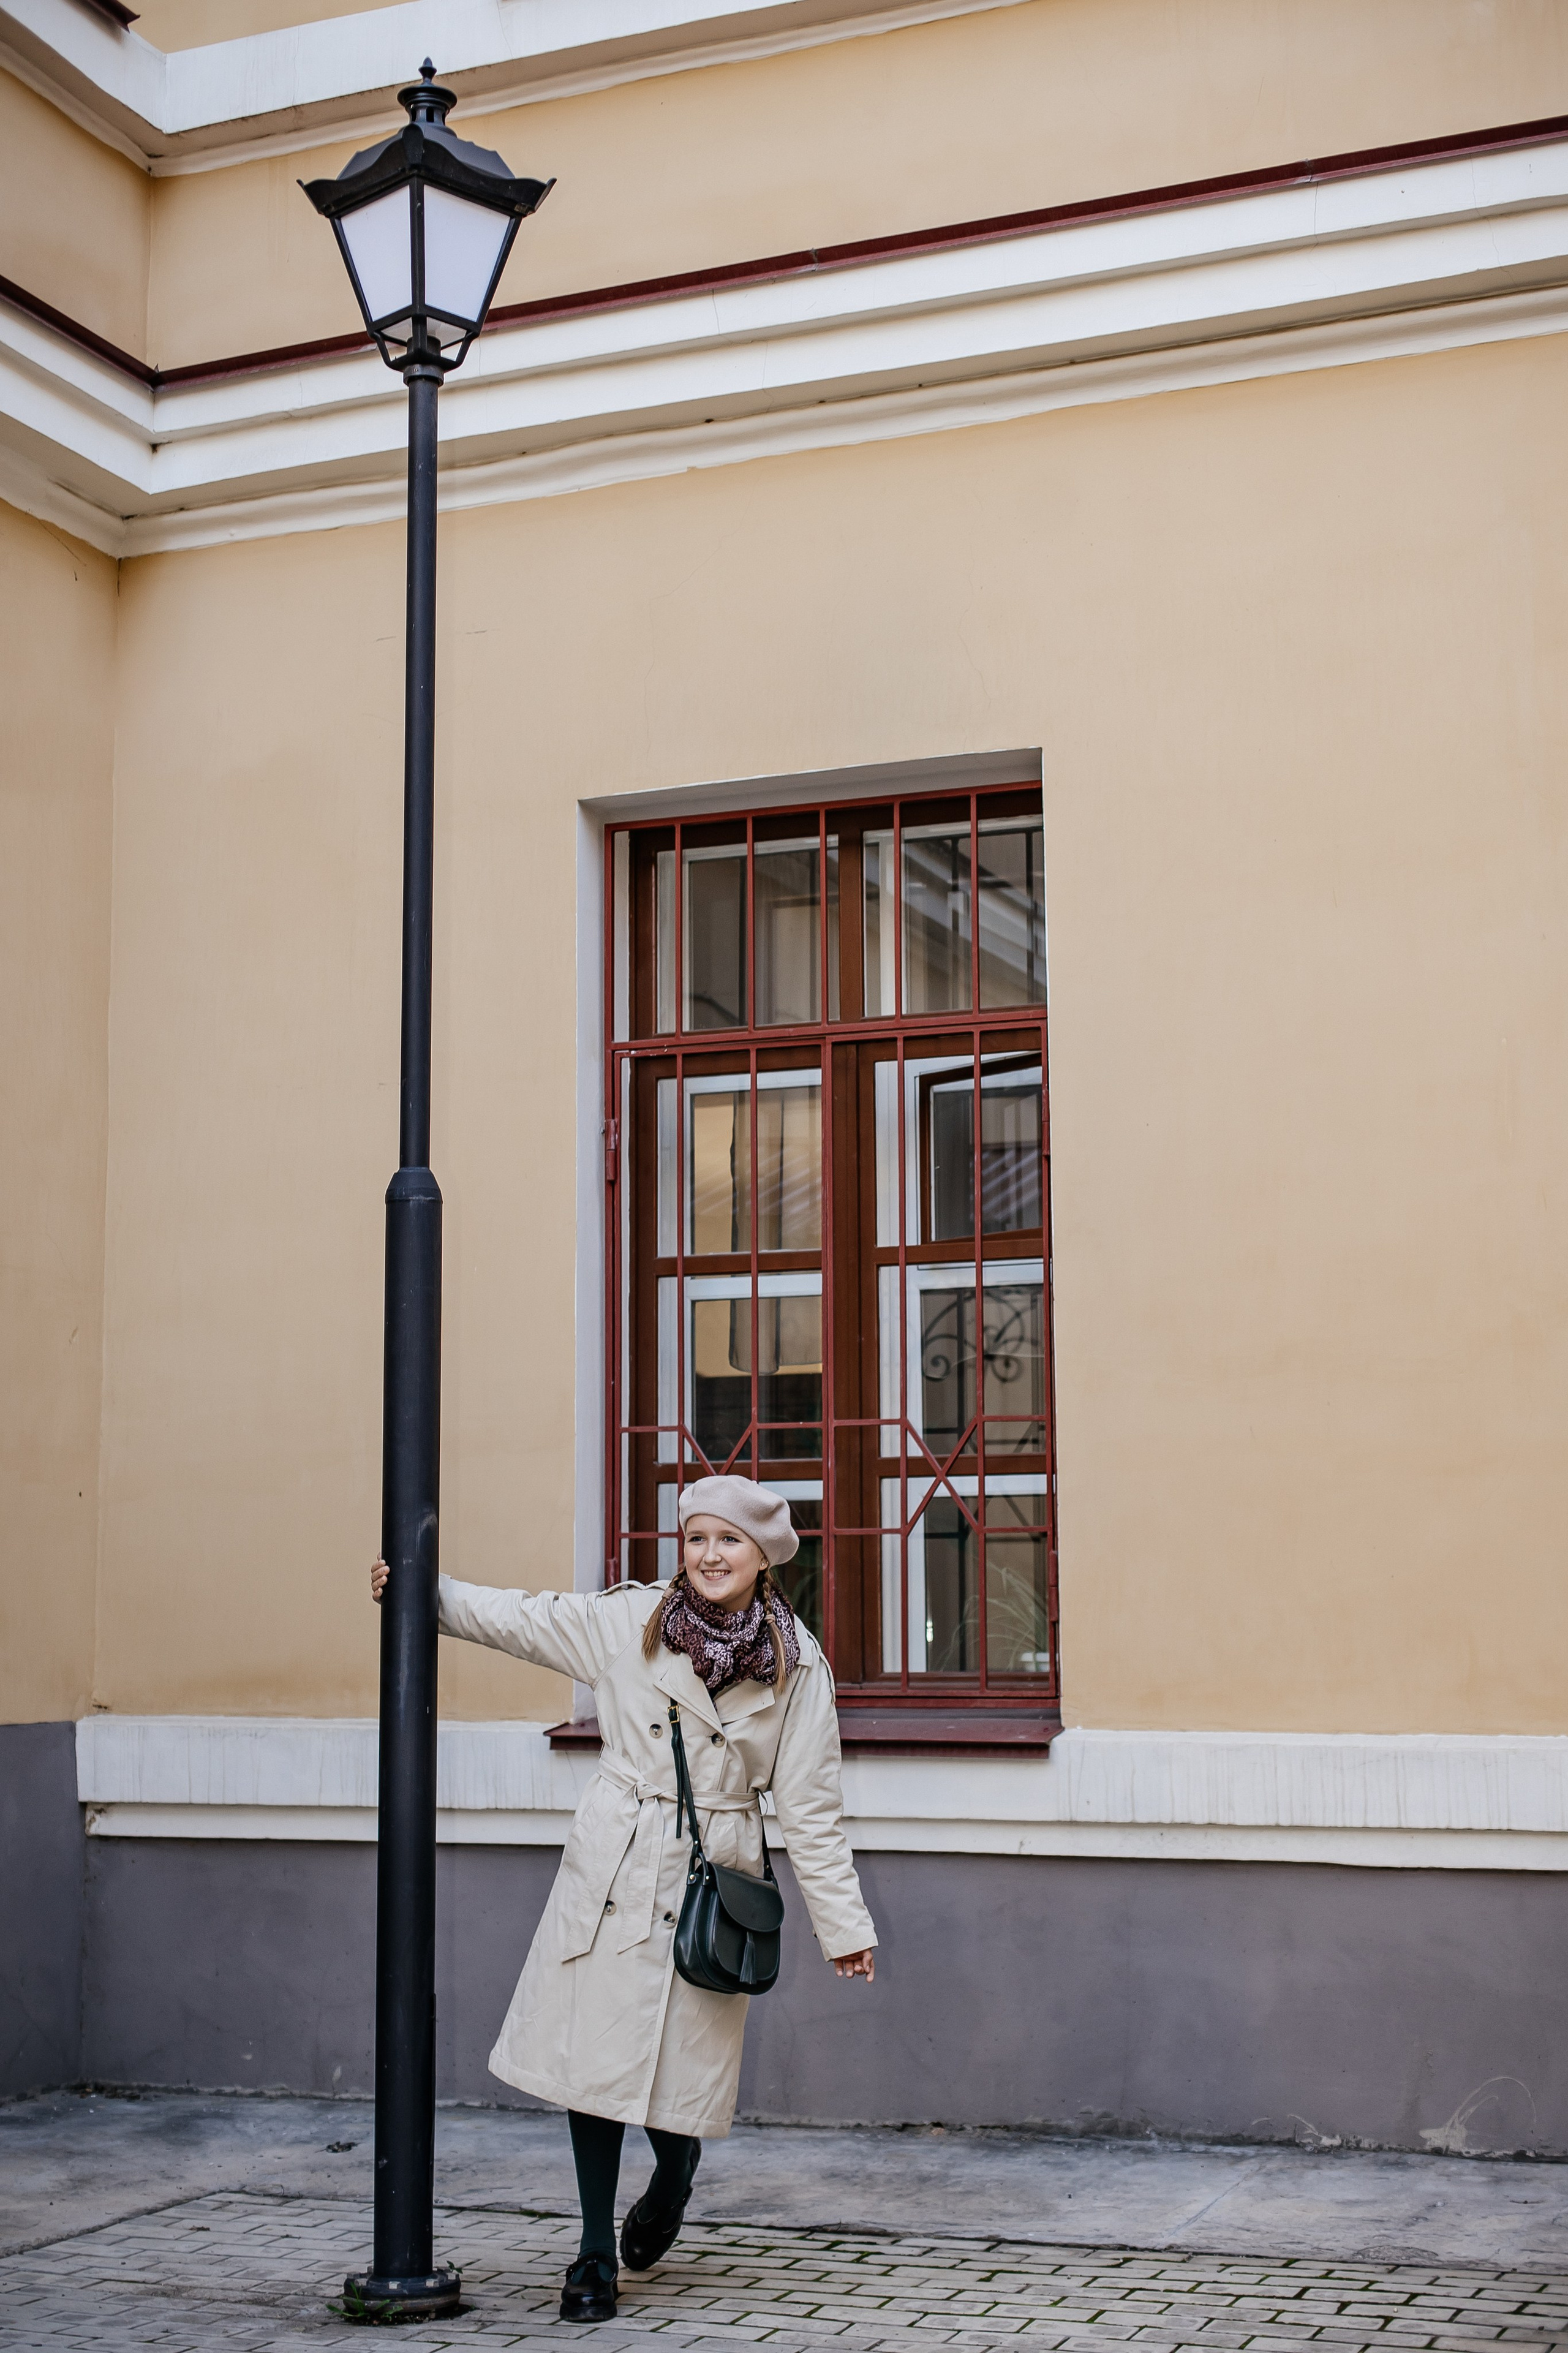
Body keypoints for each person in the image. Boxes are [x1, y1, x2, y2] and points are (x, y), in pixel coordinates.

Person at [369, 1473, 876, 2324]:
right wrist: (427, 1591)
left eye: (730, 1542)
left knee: (681, 2074)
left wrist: (843, 1925)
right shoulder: (628, 1623)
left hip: (715, 1884)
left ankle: (674, 2181)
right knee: (595, 2065)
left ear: (763, 1557)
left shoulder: (797, 1667)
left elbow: (812, 1807)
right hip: (617, 1864)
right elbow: (525, 1618)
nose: (711, 1556)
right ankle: (595, 2250)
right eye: (698, 1539)